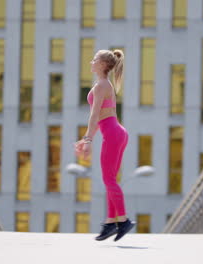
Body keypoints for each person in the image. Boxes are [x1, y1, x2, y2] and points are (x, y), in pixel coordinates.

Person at [74, 49, 135, 242]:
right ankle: (110, 222)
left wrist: (89, 140)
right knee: (110, 180)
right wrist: (86, 139)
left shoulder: (101, 85)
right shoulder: (104, 84)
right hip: (116, 132)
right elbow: (102, 118)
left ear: (102, 64)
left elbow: (94, 115)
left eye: (94, 59)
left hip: (113, 134)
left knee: (109, 180)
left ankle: (123, 220)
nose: (91, 62)